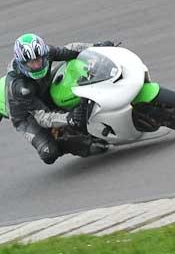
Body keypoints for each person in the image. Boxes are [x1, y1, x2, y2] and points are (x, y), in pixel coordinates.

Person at [5, 33, 117, 164]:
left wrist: (97, 47)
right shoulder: (20, 87)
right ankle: (66, 143)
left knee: (76, 77)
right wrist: (69, 118)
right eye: (31, 62)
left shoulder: (46, 52)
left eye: (39, 59)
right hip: (26, 115)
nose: (37, 65)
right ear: (22, 63)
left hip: (43, 89)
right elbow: (42, 117)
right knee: (49, 153)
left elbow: (69, 50)